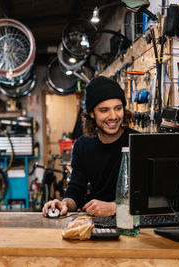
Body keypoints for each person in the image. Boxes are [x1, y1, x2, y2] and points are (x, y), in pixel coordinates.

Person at [43, 76, 137, 217]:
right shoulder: (83, 145)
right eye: (104, 110)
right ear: (92, 113)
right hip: (96, 222)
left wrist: (115, 207)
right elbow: (75, 190)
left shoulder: (137, 141)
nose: (113, 116)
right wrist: (64, 204)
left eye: (118, 108)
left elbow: (153, 197)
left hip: (132, 223)